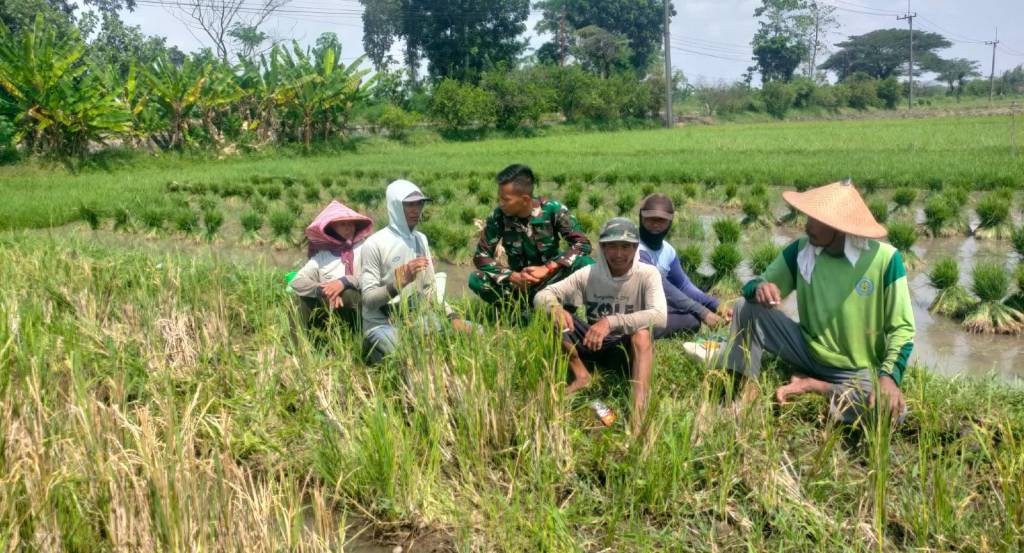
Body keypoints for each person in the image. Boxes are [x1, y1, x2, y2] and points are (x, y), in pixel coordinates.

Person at [717, 181, 915, 423]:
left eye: (815, 220)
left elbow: (903, 329)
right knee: (744, 307)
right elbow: (751, 286)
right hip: (806, 349)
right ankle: (745, 391)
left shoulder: (885, 260)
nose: (807, 226)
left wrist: (888, 378)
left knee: (889, 413)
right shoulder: (801, 251)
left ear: (839, 227)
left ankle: (813, 385)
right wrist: (760, 288)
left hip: (855, 369)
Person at [534, 218, 667, 429]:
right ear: (603, 248)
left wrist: (611, 322)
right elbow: (543, 295)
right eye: (612, 246)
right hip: (592, 342)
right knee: (550, 314)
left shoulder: (647, 274)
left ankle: (639, 410)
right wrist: (555, 308)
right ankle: (580, 374)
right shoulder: (589, 274)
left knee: (642, 335)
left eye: (626, 247)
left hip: (625, 349)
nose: (619, 254)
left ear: (635, 248)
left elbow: (660, 316)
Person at [359, 179, 467, 364]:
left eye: (420, 203)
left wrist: (452, 316)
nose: (416, 210)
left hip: (415, 318)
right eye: (409, 205)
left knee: (475, 333)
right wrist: (398, 283)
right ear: (394, 206)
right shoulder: (374, 244)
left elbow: (429, 288)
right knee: (412, 357)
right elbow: (368, 301)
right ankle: (373, 348)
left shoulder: (420, 239)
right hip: (382, 322)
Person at [469, 164, 593, 311]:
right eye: (499, 199)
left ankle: (583, 314)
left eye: (505, 199)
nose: (500, 204)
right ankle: (519, 314)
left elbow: (582, 244)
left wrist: (548, 268)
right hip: (519, 284)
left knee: (586, 264)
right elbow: (481, 256)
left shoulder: (553, 209)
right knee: (476, 278)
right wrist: (512, 276)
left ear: (525, 199)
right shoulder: (498, 216)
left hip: (552, 280)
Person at [636, 193, 729, 338]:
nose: (655, 224)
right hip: (630, 309)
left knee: (690, 316)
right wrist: (703, 312)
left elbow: (683, 286)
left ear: (670, 222)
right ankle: (637, 334)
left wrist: (715, 305)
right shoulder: (632, 248)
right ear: (641, 218)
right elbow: (663, 287)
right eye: (650, 219)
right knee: (692, 319)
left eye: (661, 221)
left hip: (652, 307)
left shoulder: (668, 251)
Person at [290, 200, 373, 330]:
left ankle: (361, 340)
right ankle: (301, 348)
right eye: (343, 224)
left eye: (351, 224)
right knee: (300, 301)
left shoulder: (365, 248)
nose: (349, 228)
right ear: (331, 229)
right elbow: (296, 281)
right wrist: (324, 290)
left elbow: (373, 276)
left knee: (348, 293)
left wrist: (344, 282)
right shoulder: (322, 256)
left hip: (360, 307)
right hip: (330, 308)